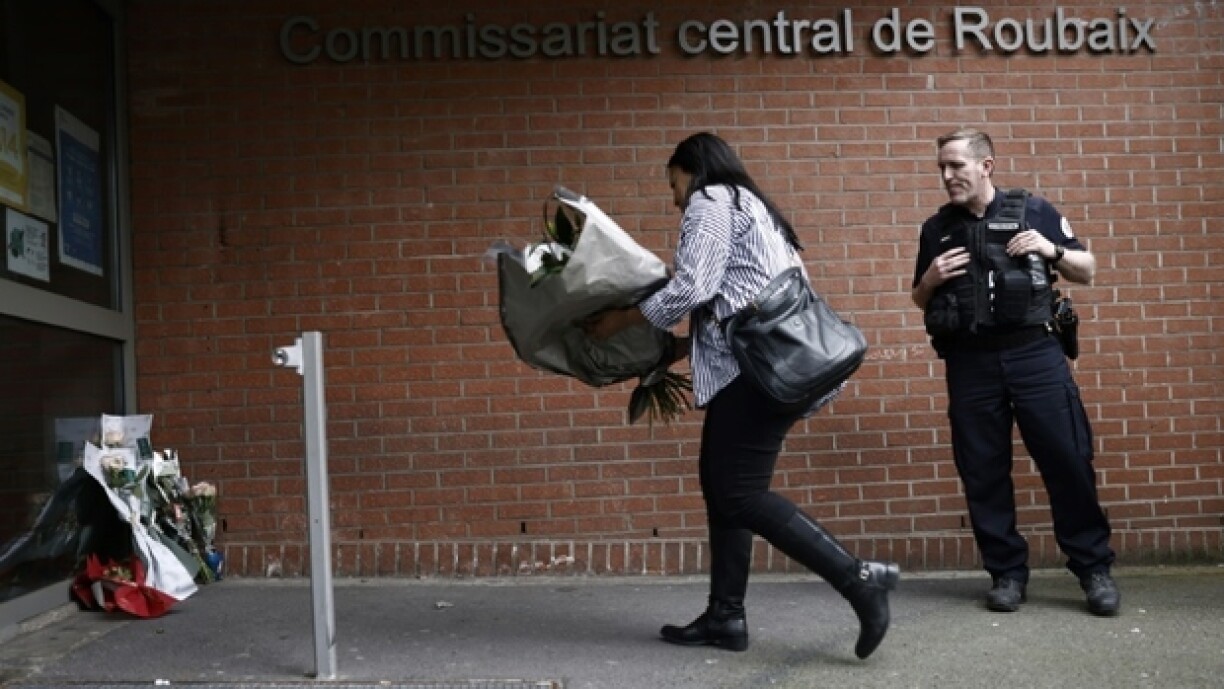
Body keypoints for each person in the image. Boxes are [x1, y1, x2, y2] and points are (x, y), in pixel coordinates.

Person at [586, 132, 899, 659]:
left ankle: (860, 581)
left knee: (738, 493)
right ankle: (725, 616)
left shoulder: (712, 200)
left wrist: (618, 322)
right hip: (765, 366)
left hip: (753, 375)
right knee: (722, 486)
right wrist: (678, 350)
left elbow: (694, 287)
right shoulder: (752, 205)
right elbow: (738, 300)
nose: (675, 198)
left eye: (674, 184)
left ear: (694, 169)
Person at [910, 127, 1120, 616]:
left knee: (1068, 459)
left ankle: (1093, 568)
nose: (947, 176)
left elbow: (1087, 270)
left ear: (986, 166)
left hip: (1035, 355)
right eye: (941, 166)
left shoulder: (1035, 210)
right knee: (982, 471)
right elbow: (920, 299)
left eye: (956, 165)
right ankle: (1005, 574)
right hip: (970, 362)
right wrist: (930, 278)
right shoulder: (936, 228)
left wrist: (1052, 251)